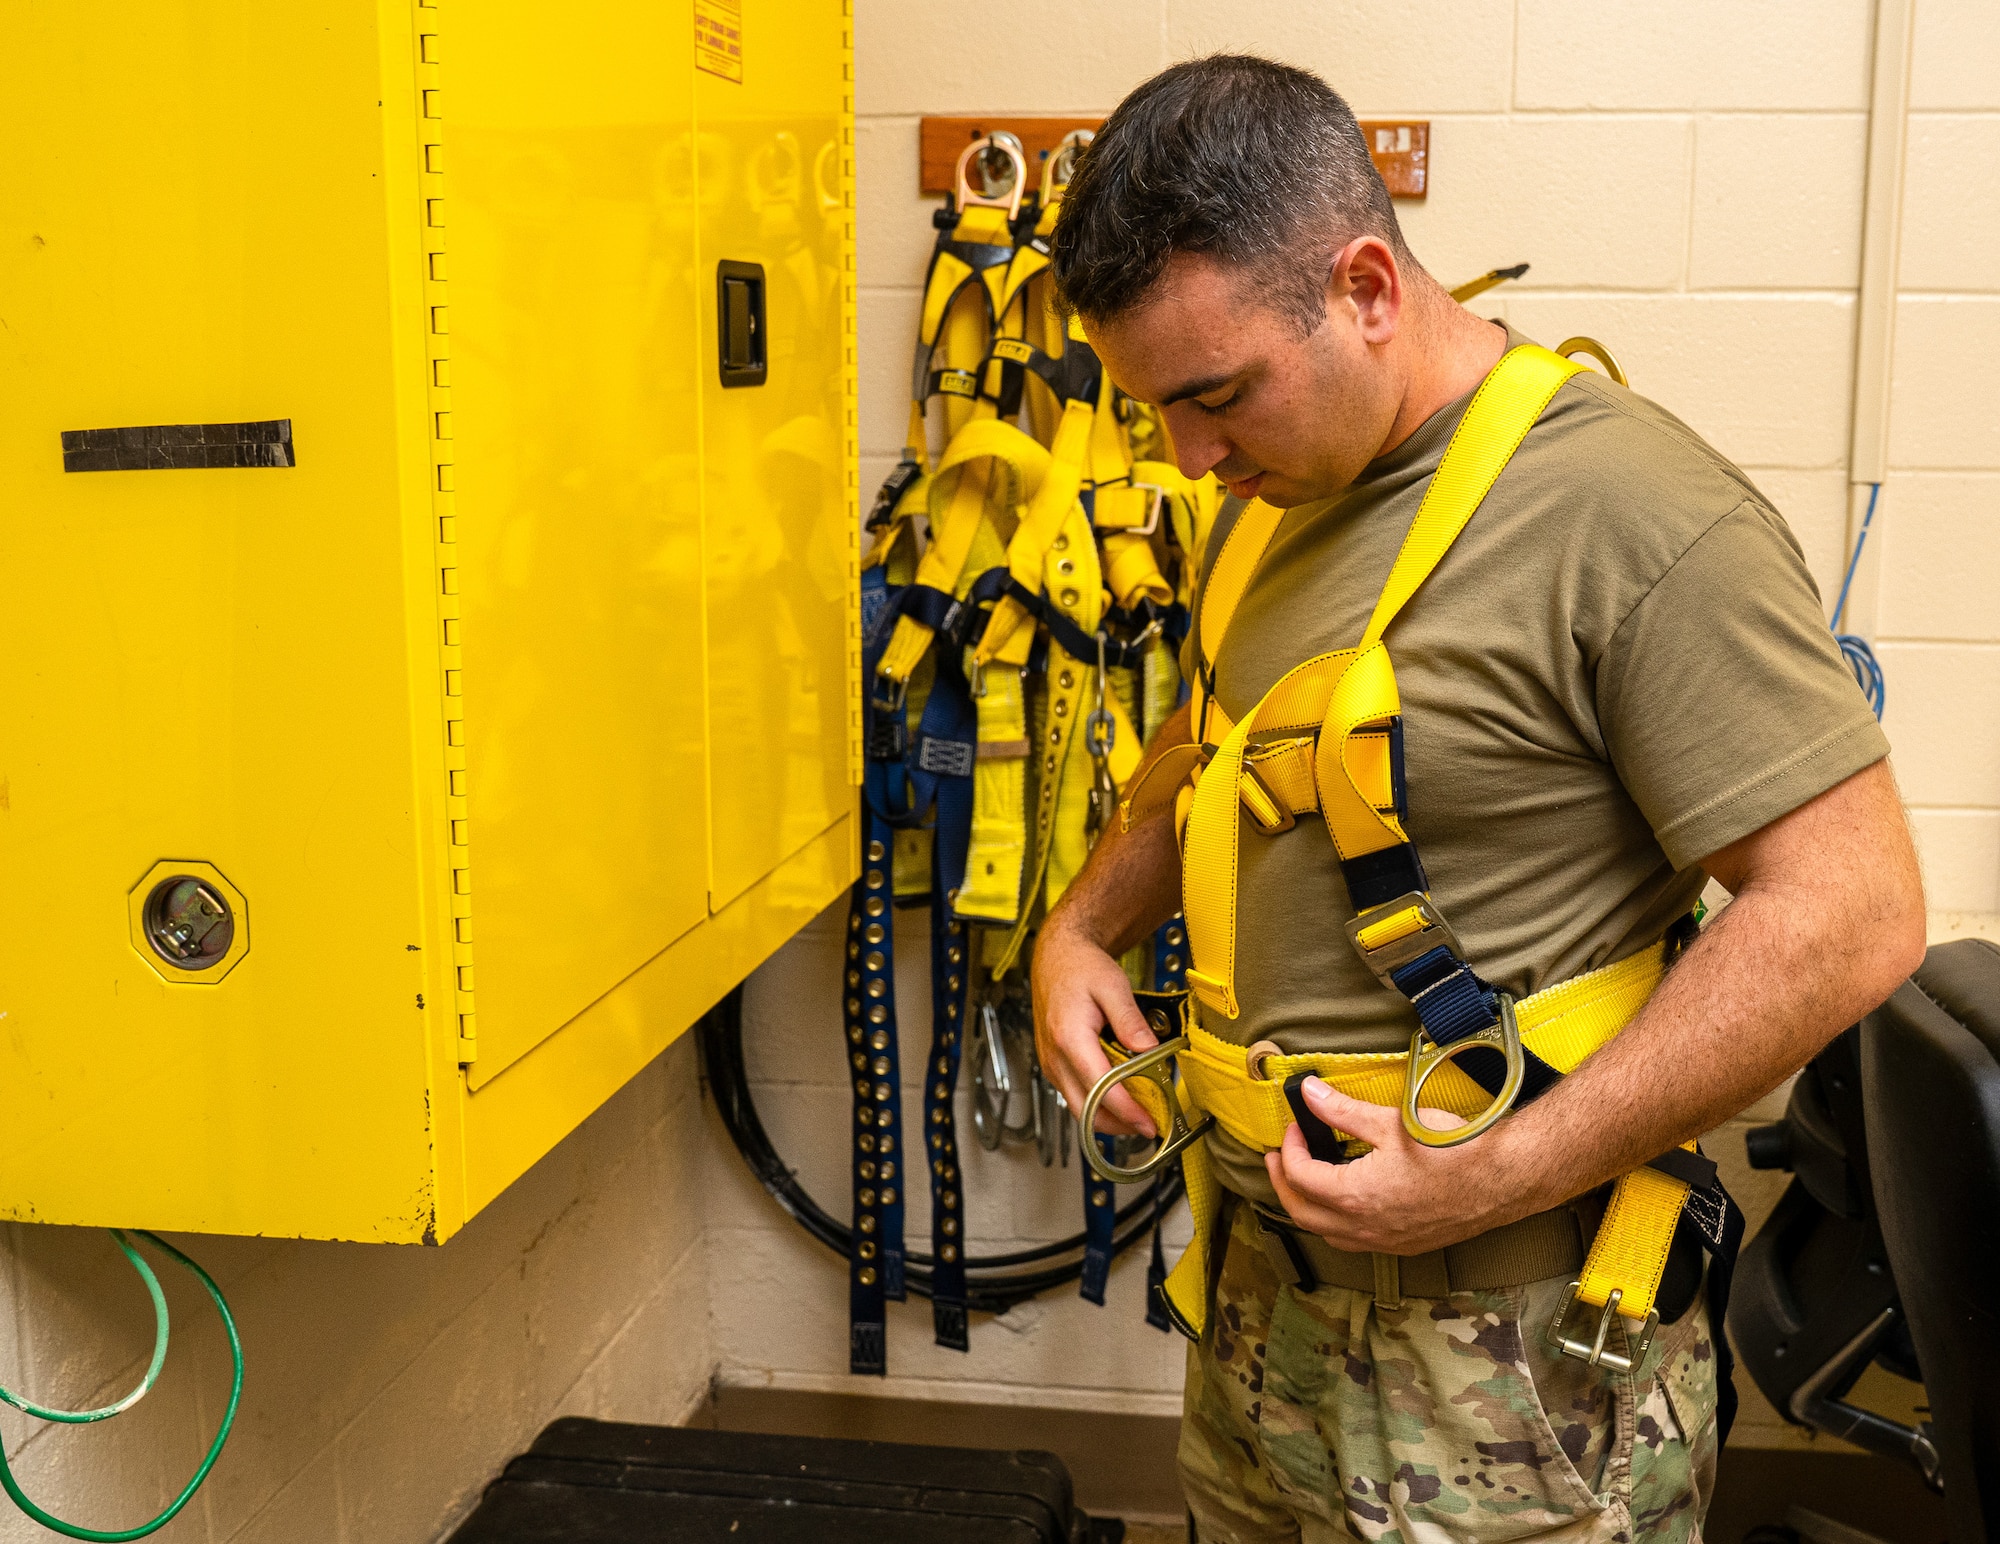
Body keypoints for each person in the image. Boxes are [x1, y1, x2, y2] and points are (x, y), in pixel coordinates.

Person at [1030, 55, 1927, 1544]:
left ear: (1368, 288)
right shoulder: (1272, 504)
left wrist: (1492, 1173)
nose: (1192, 457)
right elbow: (1216, 738)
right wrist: (1078, 932)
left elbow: (1853, 913)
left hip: (1519, 1356)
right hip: (1264, 1330)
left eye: (1216, 396)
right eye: (1159, 414)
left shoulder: (1628, 512)